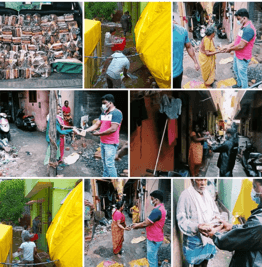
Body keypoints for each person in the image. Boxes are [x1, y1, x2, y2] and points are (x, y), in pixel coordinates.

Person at [205, 179, 262, 267]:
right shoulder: (258, 217)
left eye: (254, 187)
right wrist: (232, 227)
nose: (253, 191)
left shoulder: (258, 222)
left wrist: (214, 234)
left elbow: (233, 239)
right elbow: (249, 229)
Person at [176, 179, 220, 267]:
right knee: (197, 264)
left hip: (208, 238)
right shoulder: (185, 195)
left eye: (204, 180)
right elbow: (181, 221)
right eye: (199, 180)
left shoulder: (207, 194)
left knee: (205, 262)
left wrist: (215, 221)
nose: (203, 183)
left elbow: (215, 212)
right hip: (194, 240)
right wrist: (197, 227)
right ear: (192, 180)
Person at [85, 94, 122, 177]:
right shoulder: (104, 113)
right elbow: (97, 124)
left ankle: (114, 179)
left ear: (110, 102)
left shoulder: (117, 113)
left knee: (109, 164)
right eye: (102, 103)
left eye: (105, 103)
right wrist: (85, 130)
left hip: (111, 143)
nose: (103, 105)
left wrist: (99, 134)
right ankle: (105, 177)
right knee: (105, 163)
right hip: (103, 142)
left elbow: (113, 129)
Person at [222, 9, 256, 88]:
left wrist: (230, 49)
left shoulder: (249, 29)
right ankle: (239, 84)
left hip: (243, 57)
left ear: (244, 18)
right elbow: (237, 39)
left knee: (243, 75)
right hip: (237, 54)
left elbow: (241, 46)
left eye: (238, 19)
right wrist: (229, 46)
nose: (237, 21)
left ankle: (244, 89)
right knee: (236, 70)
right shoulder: (243, 27)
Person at [132, 190, 166, 267]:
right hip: (157, 237)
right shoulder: (161, 208)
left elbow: (145, 223)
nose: (151, 201)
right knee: (154, 256)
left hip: (154, 239)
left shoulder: (157, 211)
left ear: (156, 200)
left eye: (152, 199)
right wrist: (137, 224)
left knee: (151, 260)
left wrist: (136, 226)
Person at [173, 13, 200, 88]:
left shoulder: (182, 31)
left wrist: (195, 62)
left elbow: (188, 47)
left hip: (178, 72)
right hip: (163, 75)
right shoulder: (158, 34)